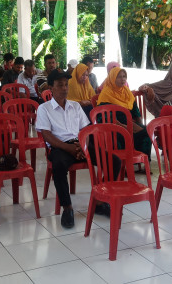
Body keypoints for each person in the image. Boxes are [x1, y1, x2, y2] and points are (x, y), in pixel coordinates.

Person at [36, 69, 120, 228]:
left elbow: (86, 130)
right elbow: (47, 135)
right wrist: (68, 148)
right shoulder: (44, 108)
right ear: (51, 88)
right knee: (59, 166)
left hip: (81, 144)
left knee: (113, 161)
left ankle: (101, 202)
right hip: (60, 147)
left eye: (66, 85)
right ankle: (67, 208)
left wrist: (84, 147)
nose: (65, 88)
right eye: (60, 85)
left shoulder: (75, 106)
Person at [97, 67, 152, 158]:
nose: (122, 79)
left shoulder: (126, 91)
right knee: (139, 133)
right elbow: (105, 117)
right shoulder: (106, 93)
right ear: (112, 78)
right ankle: (125, 164)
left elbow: (135, 110)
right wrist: (124, 127)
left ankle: (143, 160)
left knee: (147, 131)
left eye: (124, 76)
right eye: (119, 77)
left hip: (129, 123)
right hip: (114, 127)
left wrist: (138, 124)